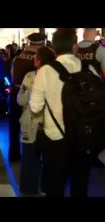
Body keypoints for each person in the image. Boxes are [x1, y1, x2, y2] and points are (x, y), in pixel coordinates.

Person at [29, 28, 96, 197]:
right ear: (75, 46)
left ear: (55, 47)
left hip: (55, 138)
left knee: (54, 186)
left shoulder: (45, 71)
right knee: (80, 186)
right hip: (83, 138)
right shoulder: (88, 69)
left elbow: (35, 108)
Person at [17, 46, 56, 196]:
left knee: (29, 158)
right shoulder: (58, 77)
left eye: (35, 57)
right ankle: (47, 187)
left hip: (32, 123)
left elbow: (21, 100)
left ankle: (29, 189)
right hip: (51, 124)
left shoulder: (31, 77)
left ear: (39, 61)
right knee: (50, 160)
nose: (34, 59)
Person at [9, 32, 46, 161]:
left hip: (15, 92)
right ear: (41, 44)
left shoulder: (17, 57)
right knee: (31, 127)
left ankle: (13, 154)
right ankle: (32, 156)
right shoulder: (39, 59)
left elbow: (12, 76)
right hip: (30, 95)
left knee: (14, 126)